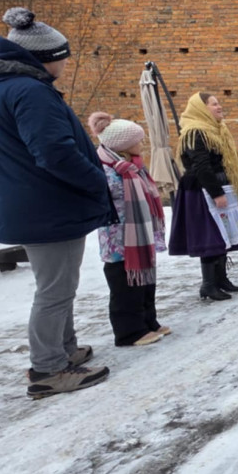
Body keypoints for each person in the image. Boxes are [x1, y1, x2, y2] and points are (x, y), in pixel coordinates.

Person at [0, 7, 113, 397]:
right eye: (62, 56)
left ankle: (64, 350)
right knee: (54, 289)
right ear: (46, 59)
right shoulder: (30, 91)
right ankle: (48, 369)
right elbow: (54, 153)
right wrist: (96, 181)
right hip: (47, 204)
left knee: (59, 284)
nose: (66, 62)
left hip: (31, 202)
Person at [169, 91, 238, 301]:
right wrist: (216, 192)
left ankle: (221, 278)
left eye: (218, 103)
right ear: (201, 109)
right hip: (203, 191)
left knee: (223, 234)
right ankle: (208, 284)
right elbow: (201, 166)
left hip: (219, 186)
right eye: (214, 104)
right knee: (210, 236)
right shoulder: (195, 132)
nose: (219, 107)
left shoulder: (216, 130)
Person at [89, 113, 168, 347]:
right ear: (122, 144)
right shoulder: (106, 168)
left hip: (139, 234)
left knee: (145, 278)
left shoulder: (133, 165)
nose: (142, 144)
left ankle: (147, 321)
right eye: (138, 140)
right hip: (118, 237)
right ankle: (129, 332)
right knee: (124, 284)